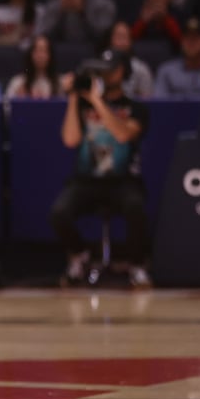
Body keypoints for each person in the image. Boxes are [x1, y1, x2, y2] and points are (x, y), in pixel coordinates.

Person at [52, 55, 151, 288]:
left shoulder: (136, 108)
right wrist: (74, 97)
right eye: (102, 71)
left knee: (136, 206)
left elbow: (123, 135)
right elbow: (70, 139)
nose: (106, 75)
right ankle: (79, 256)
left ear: (123, 72)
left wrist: (97, 102)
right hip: (87, 180)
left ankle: (137, 264)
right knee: (59, 212)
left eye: (111, 70)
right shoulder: (83, 105)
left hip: (123, 180)